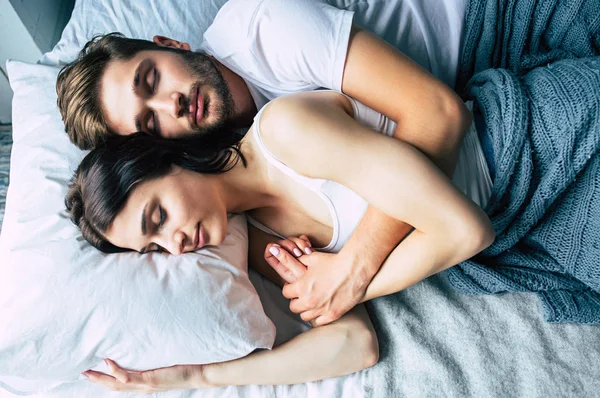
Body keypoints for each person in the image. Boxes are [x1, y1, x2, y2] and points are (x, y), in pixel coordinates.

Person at [56, 0, 473, 328]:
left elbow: (438, 113)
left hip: (475, 23)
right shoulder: (231, 178)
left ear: (169, 44)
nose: (172, 104)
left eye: (152, 79)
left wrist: (352, 269)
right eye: (151, 123)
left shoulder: (263, 28)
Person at [66, 89, 495, 392]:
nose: (175, 245)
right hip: (506, 214)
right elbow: (352, 345)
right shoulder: (260, 240)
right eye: (156, 247)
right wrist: (199, 375)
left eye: (158, 216)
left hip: (514, 147)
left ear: (170, 160)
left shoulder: (284, 131)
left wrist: (347, 278)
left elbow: (466, 230)